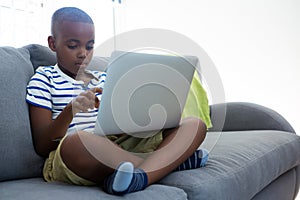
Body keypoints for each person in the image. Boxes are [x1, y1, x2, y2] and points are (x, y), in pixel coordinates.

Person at [26, 7, 208, 195]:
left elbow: (120, 122)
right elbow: (43, 144)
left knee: (194, 124)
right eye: (73, 46)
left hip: (117, 144)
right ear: (53, 43)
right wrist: (71, 111)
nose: (83, 53)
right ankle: (166, 164)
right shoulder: (43, 79)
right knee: (79, 140)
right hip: (73, 154)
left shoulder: (104, 78)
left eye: (89, 46)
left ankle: (138, 176)